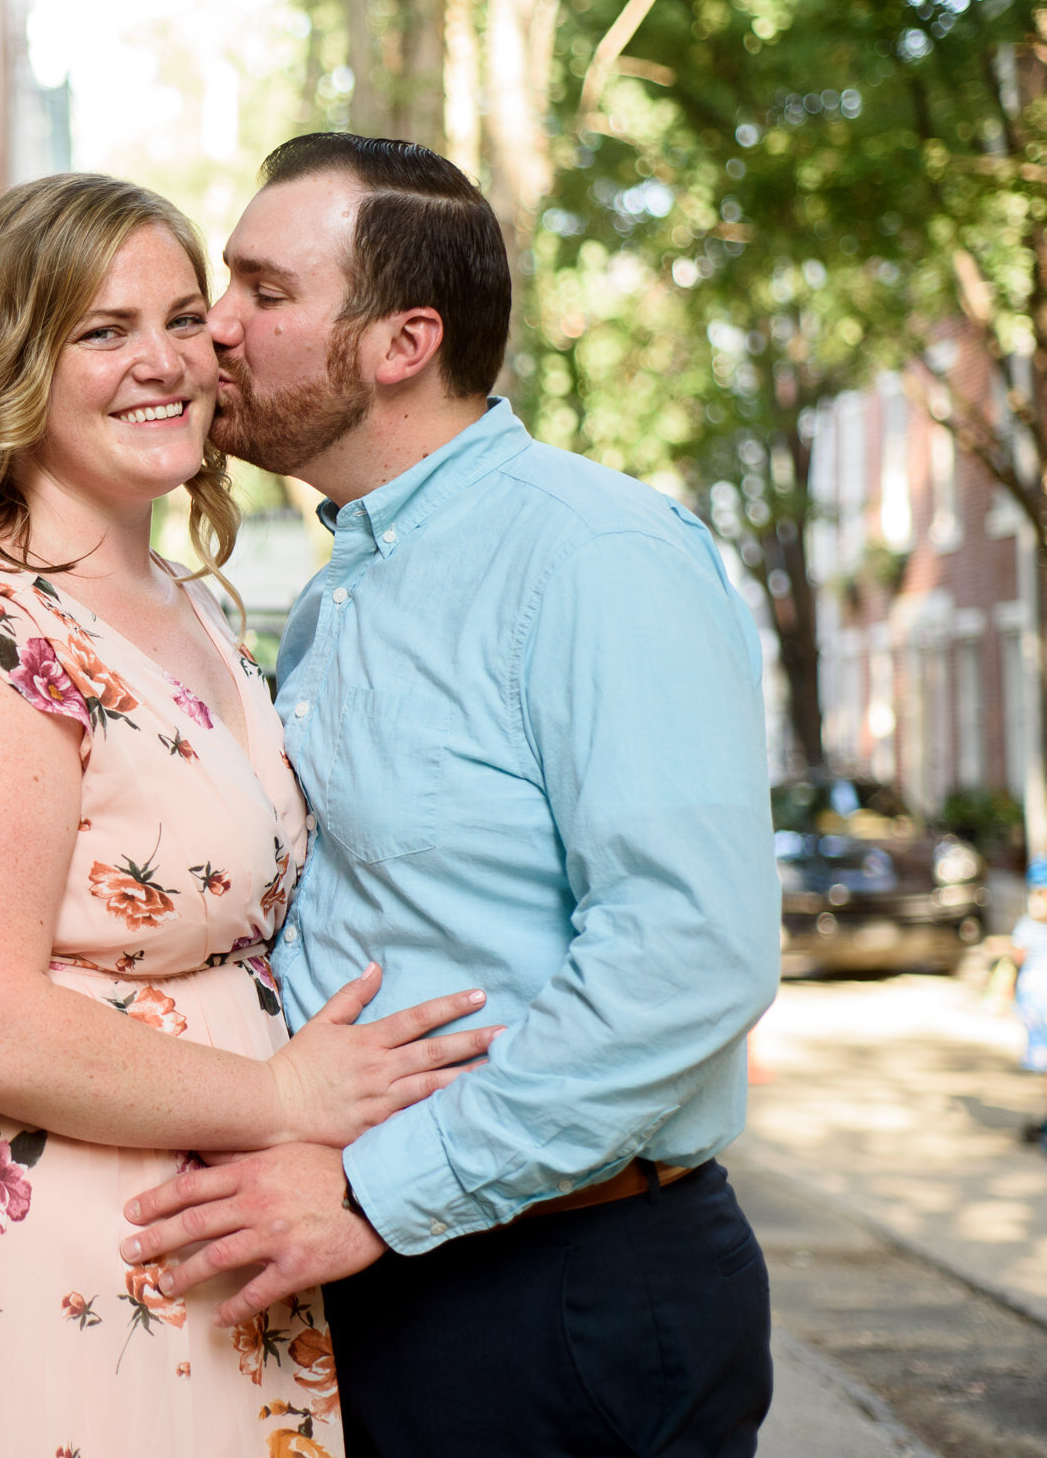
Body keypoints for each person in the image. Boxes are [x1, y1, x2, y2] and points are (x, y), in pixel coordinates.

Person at [0, 172, 495, 1457]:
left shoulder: (189, 602)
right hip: (26, 1271)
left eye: (183, 318)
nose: (163, 362)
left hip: (185, 1253)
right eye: (100, 331)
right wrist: (280, 1097)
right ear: (8, 364)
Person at [117, 134, 782, 1457]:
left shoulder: (593, 556)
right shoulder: (336, 599)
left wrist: (377, 1188)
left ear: (401, 341)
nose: (216, 332)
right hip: (387, 1282)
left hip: (564, 1296)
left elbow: (690, 956)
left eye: (263, 291)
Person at [1014, 860, 1047, 1153]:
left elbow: (1018, 957)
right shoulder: (1027, 925)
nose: (1038, 901)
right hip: (1037, 1008)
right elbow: (1017, 958)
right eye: (1035, 894)